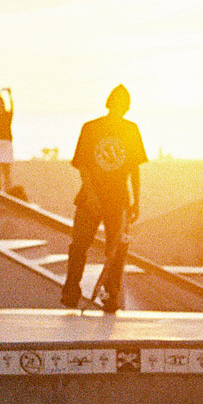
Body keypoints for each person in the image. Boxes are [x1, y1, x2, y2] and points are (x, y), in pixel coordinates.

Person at [62, 84, 147, 313]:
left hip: (118, 199)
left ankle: (110, 294)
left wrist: (135, 201)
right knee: (79, 245)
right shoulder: (91, 128)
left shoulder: (131, 130)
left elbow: (134, 169)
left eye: (124, 102)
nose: (120, 106)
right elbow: (83, 165)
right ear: (110, 102)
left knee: (116, 250)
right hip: (90, 197)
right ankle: (71, 289)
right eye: (117, 101)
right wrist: (90, 193)